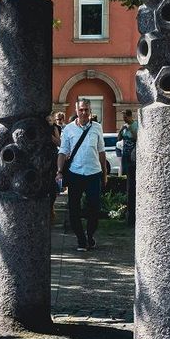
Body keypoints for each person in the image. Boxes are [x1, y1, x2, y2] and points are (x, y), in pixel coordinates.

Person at [57, 99, 108, 251]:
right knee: (73, 209)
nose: (84, 112)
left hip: (94, 173)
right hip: (75, 174)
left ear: (90, 111)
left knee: (94, 208)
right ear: (76, 111)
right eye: (81, 110)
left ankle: (90, 235)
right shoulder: (68, 129)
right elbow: (63, 151)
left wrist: (105, 173)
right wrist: (59, 171)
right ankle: (81, 239)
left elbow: (101, 151)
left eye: (86, 110)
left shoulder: (97, 128)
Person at [118, 109, 138, 224]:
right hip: (125, 155)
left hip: (133, 155)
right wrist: (121, 131)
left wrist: (131, 129)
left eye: (125, 117)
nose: (124, 119)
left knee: (132, 181)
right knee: (127, 178)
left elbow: (138, 138)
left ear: (130, 116)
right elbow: (119, 139)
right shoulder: (124, 126)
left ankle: (131, 215)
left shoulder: (135, 125)